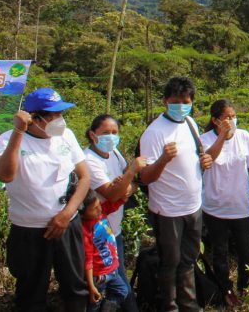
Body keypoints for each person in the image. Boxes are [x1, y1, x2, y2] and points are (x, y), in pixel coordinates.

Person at [0, 87, 91, 311]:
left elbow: (85, 177)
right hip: (29, 230)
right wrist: (19, 132)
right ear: (34, 117)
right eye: (51, 116)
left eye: (60, 114)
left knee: (76, 288)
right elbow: (6, 175)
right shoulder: (8, 139)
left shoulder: (66, 136)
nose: (58, 120)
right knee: (31, 292)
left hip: (67, 224)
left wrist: (66, 215)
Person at [138, 76, 212, 312]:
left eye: (186, 101)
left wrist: (205, 160)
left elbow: (194, 158)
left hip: (193, 206)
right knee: (170, 262)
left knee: (188, 260)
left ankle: (189, 305)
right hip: (167, 210)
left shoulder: (190, 123)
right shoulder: (154, 132)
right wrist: (163, 159)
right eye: (176, 101)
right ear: (165, 101)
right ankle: (169, 307)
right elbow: (145, 177)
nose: (181, 105)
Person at [200, 99, 249, 305]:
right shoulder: (205, 139)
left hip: (240, 206)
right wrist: (223, 137)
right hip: (214, 208)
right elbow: (209, 160)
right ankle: (225, 289)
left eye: (234, 117)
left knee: (246, 253)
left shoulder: (244, 136)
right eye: (227, 117)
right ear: (215, 120)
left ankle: (244, 287)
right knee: (220, 252)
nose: (232, 120)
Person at [83, 114, 145, 296]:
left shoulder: (115, 153)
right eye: (105, 132)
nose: (111, 136)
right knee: (111, 283)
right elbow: (111, 194)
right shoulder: (89, 160)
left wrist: (126, 186)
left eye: (114, 132)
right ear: (93, 135)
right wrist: (131, 173)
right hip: (98, 235)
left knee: (117, 280)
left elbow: (129, 182)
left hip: (113, 230)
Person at [80, 190, 129, 312]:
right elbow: (88, 260)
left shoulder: (101, 214)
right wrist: (91, 286)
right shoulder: (85, 230)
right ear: (81, 213)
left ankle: (106, 308)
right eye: (94, 209)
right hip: (99, 275)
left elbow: (113, 205)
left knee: (122, 290)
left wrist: (123, 196)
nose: (99, 210)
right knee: (94, 303)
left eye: (98, 206)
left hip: (112, 269)